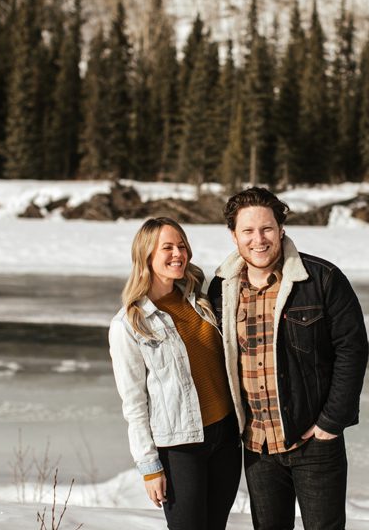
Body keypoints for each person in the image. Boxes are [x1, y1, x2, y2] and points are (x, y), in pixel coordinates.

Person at [208, 187, 369, 530]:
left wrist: (330, 423)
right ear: (233, 235)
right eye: (247, 231)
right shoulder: (221, 288)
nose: (258, 239)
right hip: (257, 447)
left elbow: (352, 350)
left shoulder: (321, 278)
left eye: (266, 228)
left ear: (281, 229)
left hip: (313, 441)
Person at [108, 217, 241, 530]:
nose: (178, 254)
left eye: (182, 246)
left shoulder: (199, 302)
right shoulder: (129, 324)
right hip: (181, 447)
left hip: (224, 437)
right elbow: (134, 403)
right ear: (146, 255)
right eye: (167, 247)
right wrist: (149, 466)